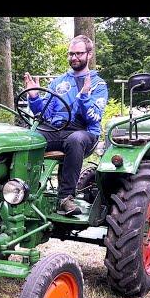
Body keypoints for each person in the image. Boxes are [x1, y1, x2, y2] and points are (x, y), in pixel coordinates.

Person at [23, 35, 108, 216]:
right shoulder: (58, 82)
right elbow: (44, 114)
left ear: (89, 55)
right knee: (27, 138)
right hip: (57, 130)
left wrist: (84, 96)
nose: (74, 57)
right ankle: (20, 191)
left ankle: (65, 198)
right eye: (71, 54)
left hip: (84, 133)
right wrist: (34, 97)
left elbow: (94, 117)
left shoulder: (98, 84)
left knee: (75, 140)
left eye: (79, 53)